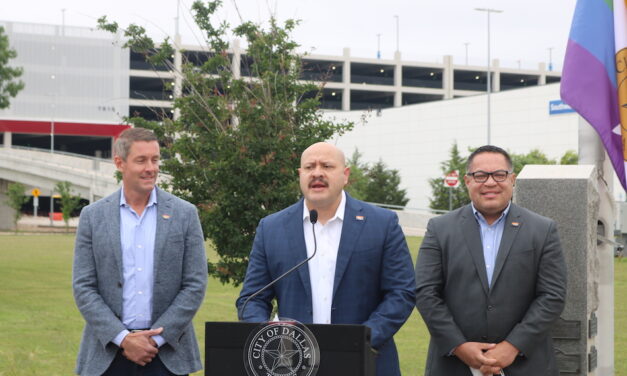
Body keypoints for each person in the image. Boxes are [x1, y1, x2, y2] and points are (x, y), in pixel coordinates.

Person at [236, 142, 416, 376]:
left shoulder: (382, 224)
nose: (317, 173)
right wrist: (271, 338)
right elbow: (252, 299)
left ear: (345, 175)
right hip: (291, 364)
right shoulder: (271, 227)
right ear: (300, 175)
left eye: (327, 166)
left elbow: (401, 293)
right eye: (309, 167)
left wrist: (359, 340)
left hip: (365, 361)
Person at [415, 145, 567, 375]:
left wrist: (514, 345)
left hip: (526, 364)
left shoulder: (542, 230)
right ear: (467, 181)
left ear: (512, 179)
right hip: (454, 365)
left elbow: (552, 295)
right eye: (480, 175)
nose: (489, 183)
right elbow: (425, 292)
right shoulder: (440, 229)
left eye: (499, 175)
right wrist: (459, 346)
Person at [72, 127, 207, 376]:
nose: (151, 168)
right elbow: (83, 286)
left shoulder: (185, 214)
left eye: (155, 160)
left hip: (167, 355)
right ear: (119, 163)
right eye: (141, 160)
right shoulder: (93, 217)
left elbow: (195, 284)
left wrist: (155, 339)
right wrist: (123, 338)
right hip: (108, 355)